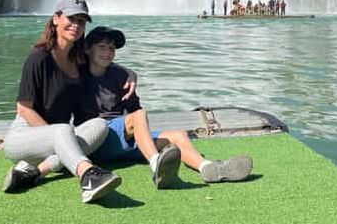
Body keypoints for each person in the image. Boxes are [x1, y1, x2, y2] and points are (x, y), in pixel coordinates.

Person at [77, 25, 254, 188]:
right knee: (139, 115)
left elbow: (133, 107)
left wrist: (127, 73)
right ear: (87, 49)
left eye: (111, 48)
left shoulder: (120, 76)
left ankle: (208, 168)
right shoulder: (76, 74)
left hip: (120, 142)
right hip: (96, 141)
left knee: (178, 135)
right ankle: (156, 164)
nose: (108, 52)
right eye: (102, 47)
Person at [1, 0, 135, 203]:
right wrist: (52, 136)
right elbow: (23, 108)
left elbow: (104, 61)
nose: (76, 25)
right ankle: (88, 176)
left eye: (81, 21)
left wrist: (130, 74)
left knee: (99, 125)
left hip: (58, 138)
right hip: (25, 134)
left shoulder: (79, 58)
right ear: (56, 19)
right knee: (63, 131)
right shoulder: (39, 57)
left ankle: (34, 173)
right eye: (71, 18)